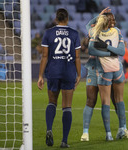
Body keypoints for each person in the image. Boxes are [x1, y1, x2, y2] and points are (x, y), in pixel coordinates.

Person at [81, 8, 128, 141]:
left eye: (114, 19)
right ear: (105, 21)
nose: (113, 21)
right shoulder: (99, 31)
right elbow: (88, 27)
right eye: (110, 19)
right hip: (96, 67)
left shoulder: (114, 31)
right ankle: (86, 132)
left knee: (114, 101)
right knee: (91, 100)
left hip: (108, 68)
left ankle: (121, 129)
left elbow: (88, 26)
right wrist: (99, 16)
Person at [37, 8, 81, 148]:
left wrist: (40, 76)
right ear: (67, 19)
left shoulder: (49, 33)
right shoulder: (74, 34)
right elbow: (78, 57)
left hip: (53, 72)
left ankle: (49, 129)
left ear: (56, 19)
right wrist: (79, 74)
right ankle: (64, 141)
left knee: (52, 102)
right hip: (68, 72)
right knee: (67, 107)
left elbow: (44, 56)